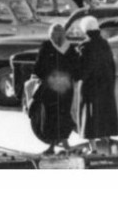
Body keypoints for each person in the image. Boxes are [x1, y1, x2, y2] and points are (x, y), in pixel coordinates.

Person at [25, 21, 80, 154]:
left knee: (50, 117)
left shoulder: (47, 46)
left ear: (51, 35)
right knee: (64, 115)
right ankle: (65, 143)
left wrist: (36, 76)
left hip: (50, 88)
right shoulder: (71, 49)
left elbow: (39, 67)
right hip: (66, 89)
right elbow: (76, 68)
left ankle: (52, 146)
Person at [73, 14, 118, 153]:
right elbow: (111, 66)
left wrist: (76, 76)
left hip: (90, 89)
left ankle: (93, 149)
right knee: (105, 118)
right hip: (106, 87)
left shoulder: (85, 46)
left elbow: (84, 69)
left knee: (90, 119)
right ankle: (111, 145)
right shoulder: (105, 43)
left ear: (85, 30)